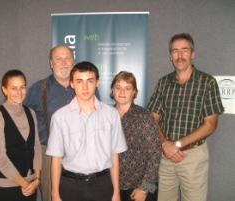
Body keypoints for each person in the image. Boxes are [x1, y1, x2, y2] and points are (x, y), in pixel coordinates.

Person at [147, 33, 224, 201]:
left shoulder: (207, 82)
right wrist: (165, 145)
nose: (179, 56)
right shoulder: (163, 83)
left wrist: (178, 144)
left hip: (193, 156)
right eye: (175, 51)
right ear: (170, 56)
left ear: (192, 54)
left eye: (184, 50)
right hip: (166, 155)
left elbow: (210, 124)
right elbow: (152, 117)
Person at [46, 61, 128, 201]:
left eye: (89, 81)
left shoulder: (111, 115)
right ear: (72, 84)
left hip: (102, 184)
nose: (85, 87)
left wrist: (116, 192)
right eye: (79, 81)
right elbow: (56, 158)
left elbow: (114, 156)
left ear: (97, 82)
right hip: (70, 186)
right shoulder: (59, 117)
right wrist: (55, 194)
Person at [23, 44, 75, 201]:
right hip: (49, 154)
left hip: (80, 153)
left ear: (73, 61)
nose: (64, 62)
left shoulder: (85, 86)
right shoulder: (39, 89)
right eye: (58, 59)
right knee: (51, 196)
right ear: (51, 64)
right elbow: (22, 118)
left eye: (67, 59)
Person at [0, 69, 42, 201]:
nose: (19, 92)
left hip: (30, 187)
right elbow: (0, 159)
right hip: (6, 189)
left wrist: (37, 179)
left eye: (22, 87)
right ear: (4, 90)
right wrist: (26, 184)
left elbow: (36, 147)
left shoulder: (31, 113)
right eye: (14, 88)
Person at [110, 71, 161, 201]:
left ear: (134, 92)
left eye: (127, 88)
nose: (122, 92)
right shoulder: (105, 115)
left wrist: (144, 188)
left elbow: (155, 154)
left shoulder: (144, 117)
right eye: (118, 87)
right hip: (111, 185)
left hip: (137, 188)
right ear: (112, 90)